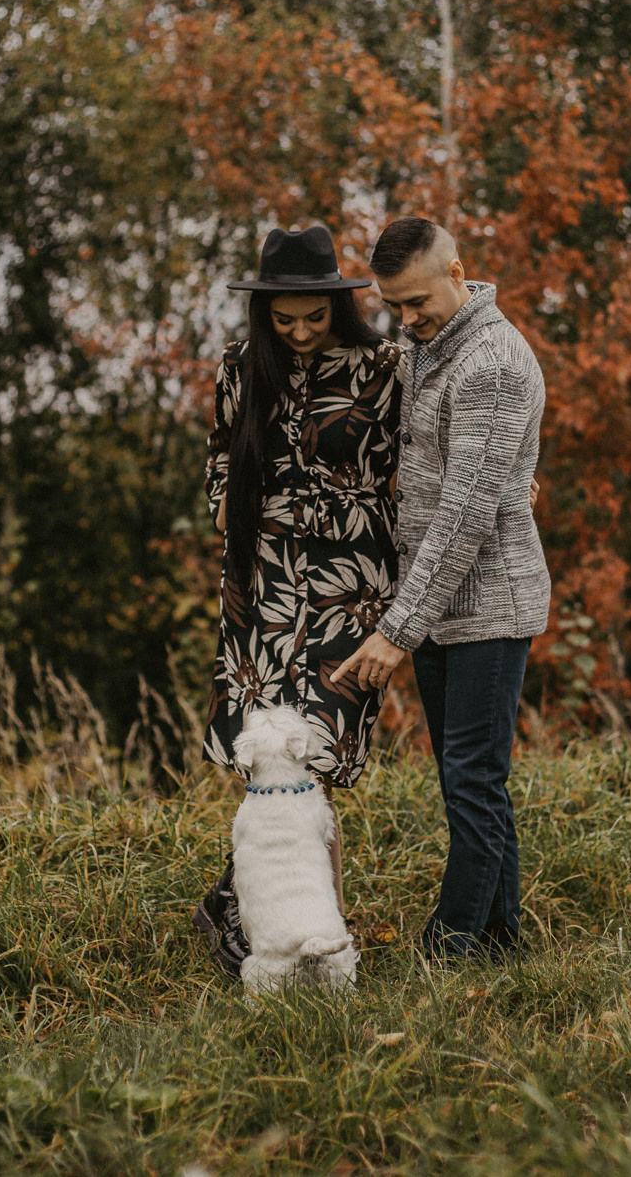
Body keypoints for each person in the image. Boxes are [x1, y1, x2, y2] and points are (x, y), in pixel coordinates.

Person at [329, 216, 550, 963]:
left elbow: (463, 519)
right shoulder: (431, 347)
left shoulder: (489, 361)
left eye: (418, 300)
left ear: (459, 274)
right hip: (443, 609)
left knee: (472, 778)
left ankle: (449, 946)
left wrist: (395, 630)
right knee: (472, 781)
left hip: (487, 604)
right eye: (395, 305)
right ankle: (501, 940)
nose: (407, 317)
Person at [192, 224, 404, 978]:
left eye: (314, 317)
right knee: (266, 760)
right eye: (285, 320)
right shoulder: (243, 364)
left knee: (322, 757)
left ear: (338, 304)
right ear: (264, 314)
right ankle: (254, 918)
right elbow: (221, 450)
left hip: (349, 580)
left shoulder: (384, 364)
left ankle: (321, 933)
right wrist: (223, 500)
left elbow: (412, 460)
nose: (302, 332)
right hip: (262, 577)